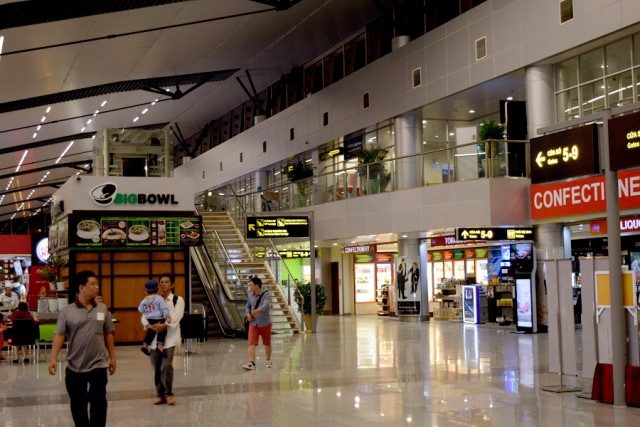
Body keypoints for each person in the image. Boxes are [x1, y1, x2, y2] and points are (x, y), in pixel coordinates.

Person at [48, 270, 116, 427]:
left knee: (98, 399)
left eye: (96, 283)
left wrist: (112, 357)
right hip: (75, 366)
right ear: (81, 287)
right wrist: (53, 358)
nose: (97, 287)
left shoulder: (102, 308)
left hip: (99, 365)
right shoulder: (67, 311)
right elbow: (59, 335)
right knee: (78, 404)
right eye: (92, 284)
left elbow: (108, 334)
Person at [142, 273, 184, 406]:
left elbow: (177, 317)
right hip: (154, 339)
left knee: (166, 366)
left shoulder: (178, 300)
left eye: (166, 282)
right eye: (161, 282)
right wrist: (149, 325)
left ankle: (169, 393)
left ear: (172, 285)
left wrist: (164, 325)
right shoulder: (152, 299)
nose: (163, 284)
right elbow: (144, 316)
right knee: (156, 368)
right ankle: (160, 394)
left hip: (170, 339)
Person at [243, 276, 272, 370]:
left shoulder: (266, 294)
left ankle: (268, 359)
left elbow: (266, 305)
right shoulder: (250, 296)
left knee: (267, 343)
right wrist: (248, 314)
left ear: (257, 285)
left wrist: (257, 310)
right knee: (251, 343)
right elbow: (247, 307)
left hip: (265, 323)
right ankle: (251, 362)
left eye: (251, 285)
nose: (250, 287)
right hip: (253, 324)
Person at [138, 280, 170, 356]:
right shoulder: (159, 298)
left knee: (151, 331)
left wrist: (147, 311)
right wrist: (167, 317)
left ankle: (145, 345)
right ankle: (160, 346)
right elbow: (164, 308)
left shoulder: (144, 300)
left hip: (149, 319)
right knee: (162, 330)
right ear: (158, 289)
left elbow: (140, 309)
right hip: (159, 318)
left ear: (146, 291)